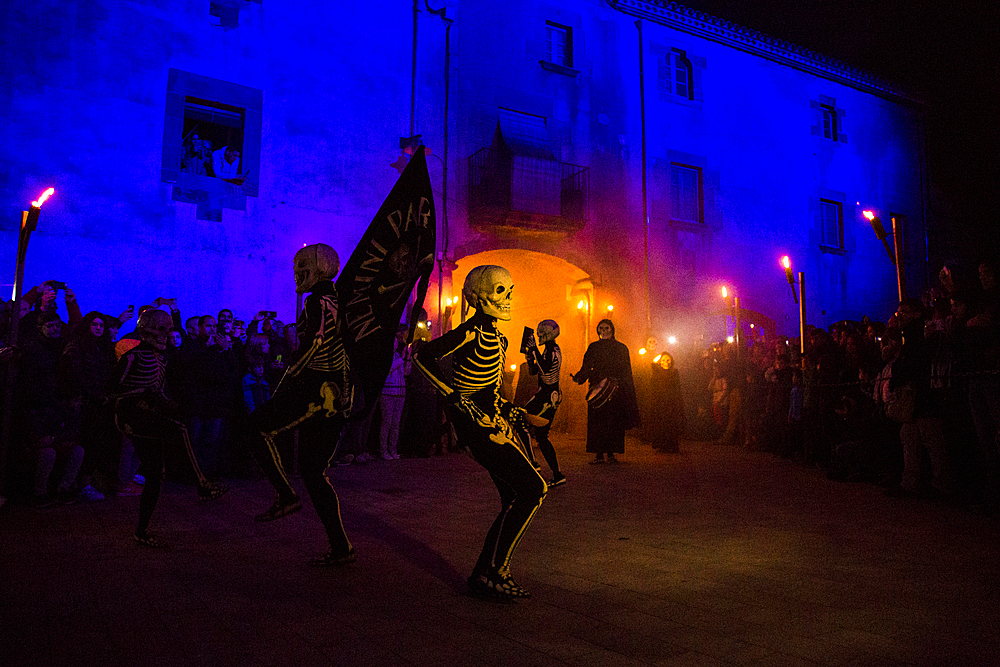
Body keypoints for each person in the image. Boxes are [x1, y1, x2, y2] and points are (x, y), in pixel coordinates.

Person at [414, 265, 547, 599]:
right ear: (478, 297)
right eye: (501, 290)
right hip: (475, 425)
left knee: (515, 497)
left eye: (510, 289)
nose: (509, 297)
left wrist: (513, 411)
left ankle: (483, 575)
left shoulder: (498, 338)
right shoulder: (470, 332)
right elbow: (423, 357)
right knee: (533, 488)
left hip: (492, 422)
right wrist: (452, 396)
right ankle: (496, 572)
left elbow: (489, 389)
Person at [248, 243, 357, 567]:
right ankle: (341, 546)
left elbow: (314, 345)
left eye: (302, 266)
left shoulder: (316, 302)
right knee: (313, 471)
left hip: (313, 387)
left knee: (255, 427)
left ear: (320, 268)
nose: (296, 273)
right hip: (337, 393)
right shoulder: (342, 300)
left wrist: (288, 377)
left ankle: (285, 495)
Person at [111, 310, 228, 548]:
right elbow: (114, 387)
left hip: (149, 413)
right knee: (179, 429)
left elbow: (159, 388)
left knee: (154, 476)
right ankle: (202, 484)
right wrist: (143, 397)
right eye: (161, 329)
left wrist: (164, 402)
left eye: (169, 329)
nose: (167, 335)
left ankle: (141, 531)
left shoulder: (162, 359)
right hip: (131, 413)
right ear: (146, 331)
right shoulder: (133, 357)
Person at [572, 319, 640, 463]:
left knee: (613, 422)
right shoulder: (593, 347)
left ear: (612, 330)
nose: (603, 331)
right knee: (597, 423)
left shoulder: (621, 348)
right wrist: (580, 377)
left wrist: (623, 386)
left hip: (615, 391)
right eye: (601, 328)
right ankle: (598, 454)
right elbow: (587, 365)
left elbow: (625, 370)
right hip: (597, 388)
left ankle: (611, 453)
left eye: (606, 328)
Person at [521, 319, 565, 485]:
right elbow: (534, 370)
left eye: (541, 334)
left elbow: (545, 368)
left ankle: (533, 463)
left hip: (547, 396)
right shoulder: (548, 350)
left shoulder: (552, 350)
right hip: (547, 394)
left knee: (521, 421)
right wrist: (530, 358)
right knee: (541, 435)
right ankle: (557, 474)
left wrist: (533, 350)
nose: (538, 337)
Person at [377, 324, 409, 460]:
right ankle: (383, 450)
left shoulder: (397, 355)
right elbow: (387, 369)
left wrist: (407, 359)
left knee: (396, 423)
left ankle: (392, 449)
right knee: (387, 422)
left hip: (400, 392)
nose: (397, 343)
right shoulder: (385, 356)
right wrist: (402, 359)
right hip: (388, 392)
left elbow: (406, 372)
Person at [648, 351, 684, 453]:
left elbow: (677, 388)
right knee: (661, 424)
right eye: (663, 360)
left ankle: (672, 445)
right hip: (660, 402)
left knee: (671, 424)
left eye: (668, 360)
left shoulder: (674, 372)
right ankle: (662, 445)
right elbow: (653, 387)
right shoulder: (657, 373)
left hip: (671, 402)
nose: (666, 362)